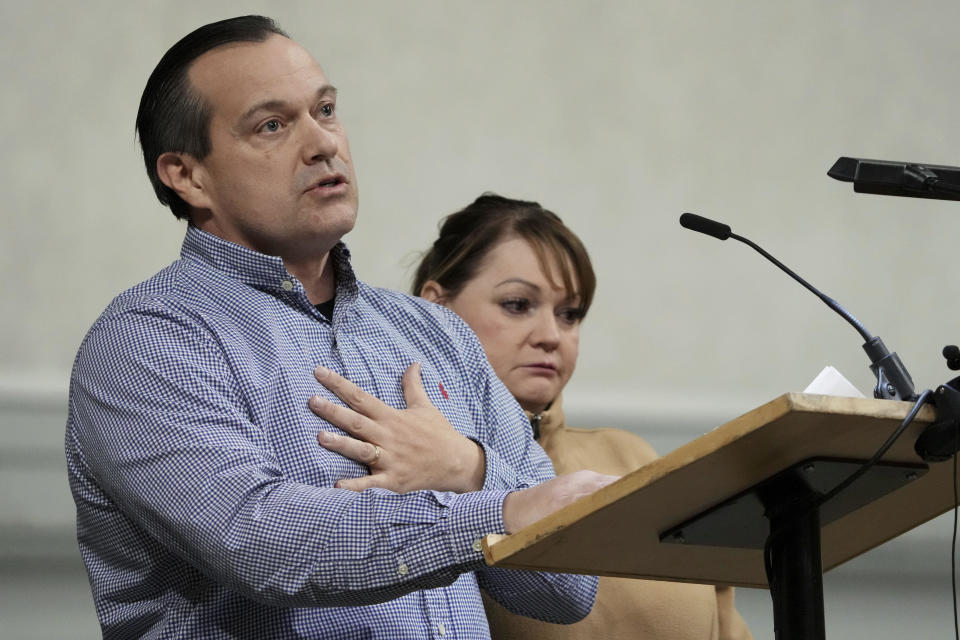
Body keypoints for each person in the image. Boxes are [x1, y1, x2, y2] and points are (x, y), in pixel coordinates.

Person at [65, 16, 614, 639]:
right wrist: (504, 510)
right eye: (272, 125)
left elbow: (567, 588)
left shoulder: (433, 333)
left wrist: (472, 470)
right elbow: (264, 543)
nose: (323, 143)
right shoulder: (148, 341)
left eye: (325, 110)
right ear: (188, 176)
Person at [408, 193, 753, 639]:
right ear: (436, 308)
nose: (552, 336)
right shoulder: (409, 471)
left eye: (570, 314)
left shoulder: (631, 455)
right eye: (518, 304)